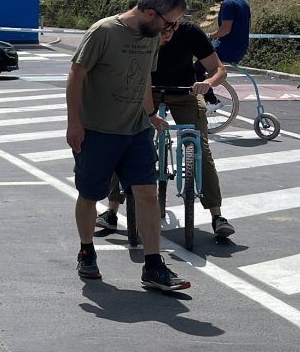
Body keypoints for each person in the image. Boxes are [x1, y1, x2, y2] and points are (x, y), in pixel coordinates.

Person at [65, 0, 191, 291]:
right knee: (90, 195)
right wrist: (74, 124)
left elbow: (145, 78)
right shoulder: (103, 32)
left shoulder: (150, 37)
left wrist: (150, 115)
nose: (172, 29)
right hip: (97, 131)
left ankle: (153, 266)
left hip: (136, 131)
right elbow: (76, 76)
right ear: (150, 13)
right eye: (169, 22)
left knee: (147, 195)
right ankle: (86, 250)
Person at [97, 18, 236, 239]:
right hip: (146, 92)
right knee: (125, 140)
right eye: (158, 34)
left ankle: (217, 215)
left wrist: (208, 84)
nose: (162, 38)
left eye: (167, 33)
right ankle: (112, 209)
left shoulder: (191, 32)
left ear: (176, 25)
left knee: (200, 145)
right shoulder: (141, 33)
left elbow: (219, 69)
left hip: (185, 93)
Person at [200, 0, 251, 112]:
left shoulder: (227, 4)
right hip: (240, 48)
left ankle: (212, 100)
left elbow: (225, 29)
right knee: (206, 67)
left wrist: (209, 36)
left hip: (226, 47)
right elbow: (248, 25)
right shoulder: (244, 2)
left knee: (196, 68)